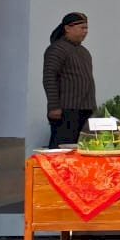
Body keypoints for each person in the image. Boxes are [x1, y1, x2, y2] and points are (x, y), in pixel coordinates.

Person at [42, 12, 96, 148]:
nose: (85, 32)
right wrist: (54, 106)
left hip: (85, 109)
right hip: (66, 110)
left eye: (87, 28)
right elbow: (49, 77)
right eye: (82, 28)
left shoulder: (84, 51)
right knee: (62, 148)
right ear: (67, 28)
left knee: (81, 149)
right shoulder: (57, 48)